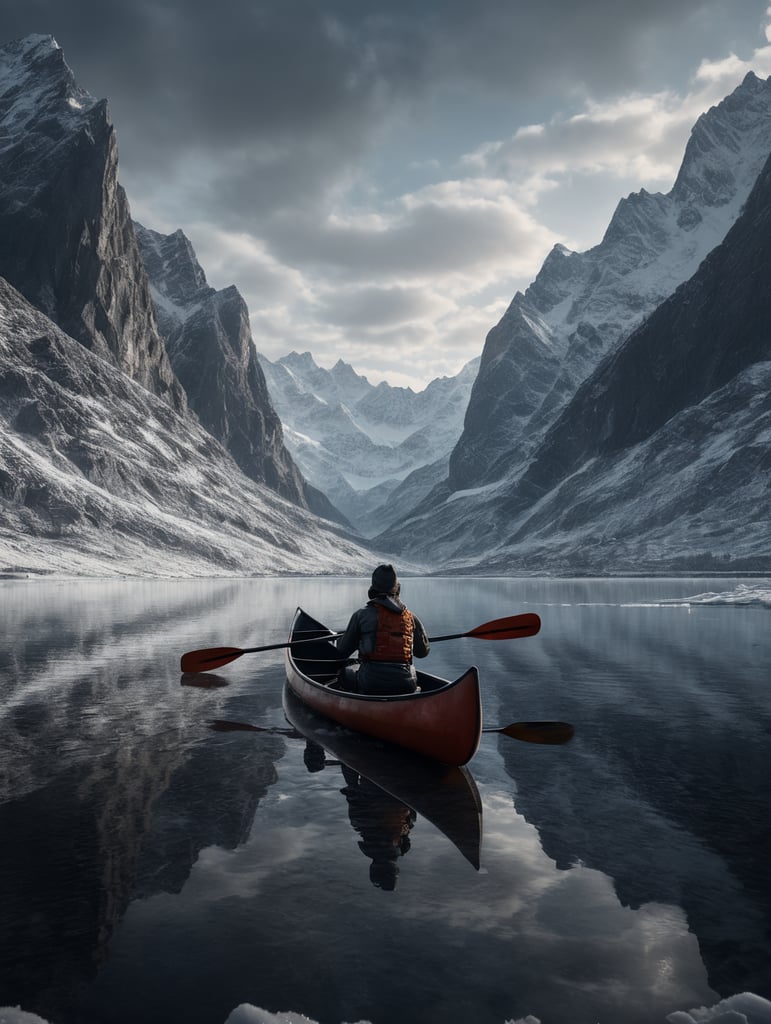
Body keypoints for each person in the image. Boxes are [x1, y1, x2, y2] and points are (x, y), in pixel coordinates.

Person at [335, 564, 430, 695]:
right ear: (398, 589)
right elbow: (423, 652)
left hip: (370, 684)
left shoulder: (361, 615)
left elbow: (342, 651)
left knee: (344, 673)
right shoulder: (411, 618)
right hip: (406, 684)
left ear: (372, 590)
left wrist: (346, 639)